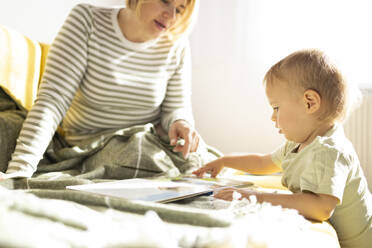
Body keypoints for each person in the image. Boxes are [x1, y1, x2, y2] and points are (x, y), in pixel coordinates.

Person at [0, 0, 200, 179]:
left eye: (180, 10)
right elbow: (53, 99)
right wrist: (21, 169)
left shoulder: (177, 46)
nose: (171, 16)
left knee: (195, 159)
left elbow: (176, 107)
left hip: (145, 141)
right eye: (165, 1)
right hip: (88, 147)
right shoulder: (87, 21)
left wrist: (180, 122)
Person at [193, 49, 372, 248]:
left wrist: (254, 197)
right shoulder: (299, 144)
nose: (272, 117)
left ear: (309, 102)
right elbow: (263, 162)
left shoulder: (328, 150)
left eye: (276, 107)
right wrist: (225, 161)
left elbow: (320, 207)